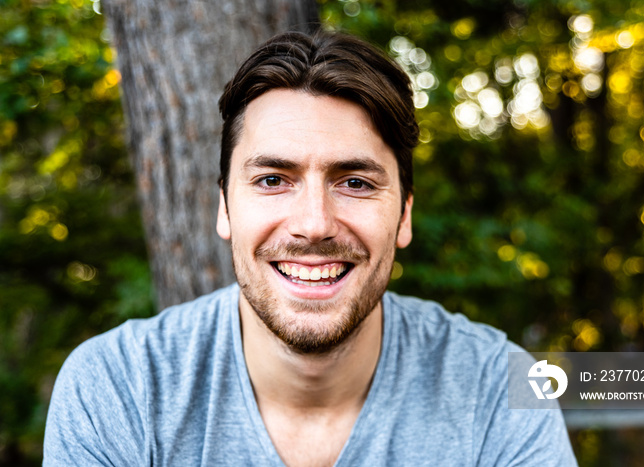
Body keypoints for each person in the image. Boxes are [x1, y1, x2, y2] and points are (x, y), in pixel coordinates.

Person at [44, 30, 577, 466]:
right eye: (274, 180)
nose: (314, 224)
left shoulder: (497, 391)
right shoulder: (119, 388)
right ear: (225, 208)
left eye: (356, 182)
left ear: (405, 214)